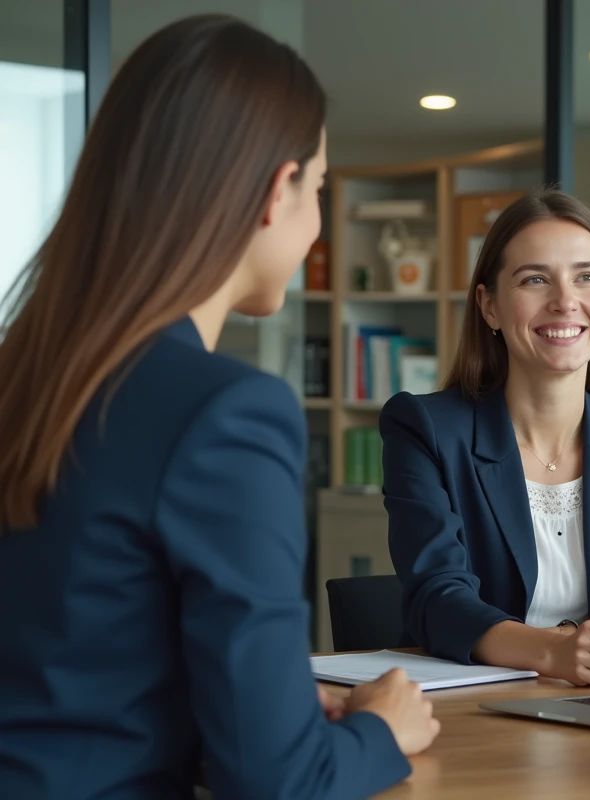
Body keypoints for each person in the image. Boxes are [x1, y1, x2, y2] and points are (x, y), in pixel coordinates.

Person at [0, 15, 438, 799]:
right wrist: (381, 730)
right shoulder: (227, 414)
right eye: (321, 190)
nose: (315, 226)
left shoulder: (25, 376)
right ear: (279, 191)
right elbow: (276, 784)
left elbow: (67, 652)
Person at [382, 189, 590, 686]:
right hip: (474, 715)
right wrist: (551, 651)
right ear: (489, 306)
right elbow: (437, 597)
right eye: (535, 279)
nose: (565, 301)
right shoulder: (425, 429)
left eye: (586, 277)